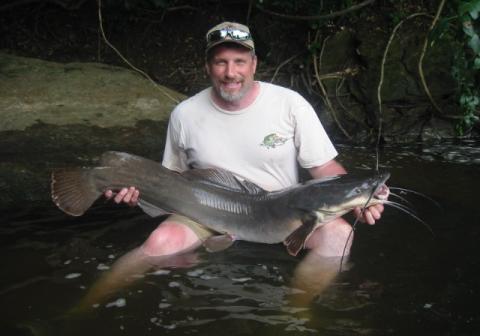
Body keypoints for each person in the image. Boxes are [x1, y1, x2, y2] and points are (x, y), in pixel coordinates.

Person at [106, 21, 386, 259]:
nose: (231, 73)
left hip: (283, 214)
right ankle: (85, 307)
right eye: (221, 62)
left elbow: (325, 169)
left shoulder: (290, 104)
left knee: (340, 236)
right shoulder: (185, 114)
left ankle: (300, 313)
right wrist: (139, 194)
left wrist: (357, 199)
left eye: (239, 61)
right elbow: (172, 178)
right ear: (208, 67)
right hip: (208, 212)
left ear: (254, 64)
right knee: (159, 242)